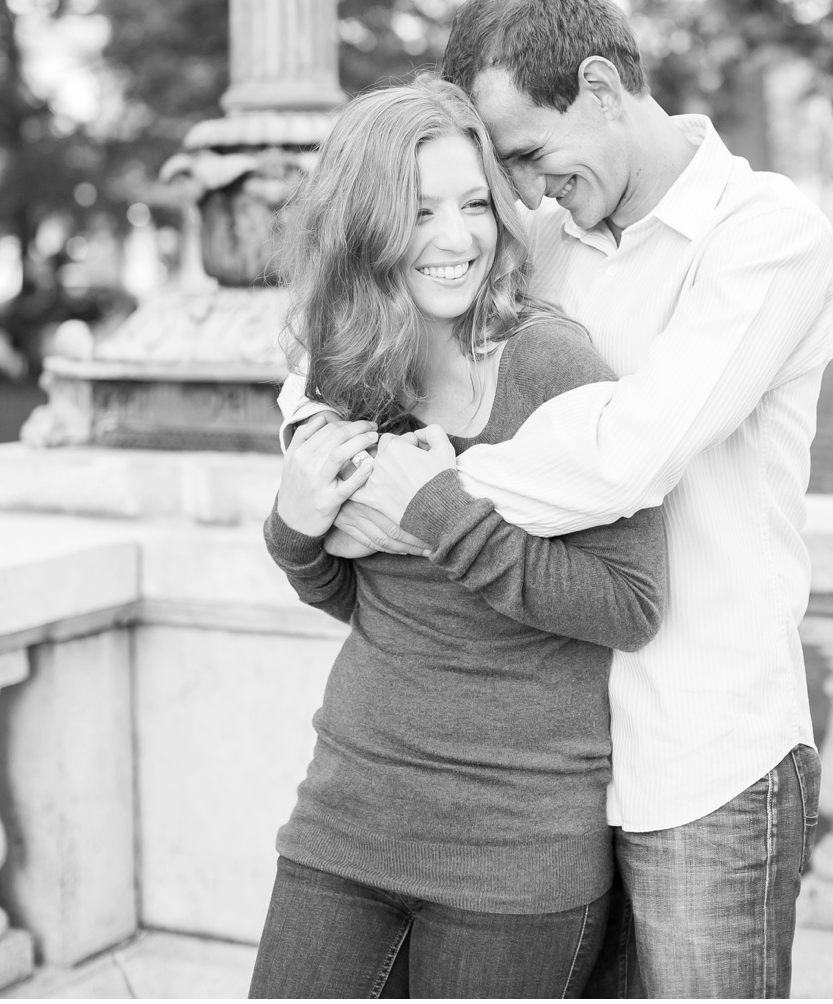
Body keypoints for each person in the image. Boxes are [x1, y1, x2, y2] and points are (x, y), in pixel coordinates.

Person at [290, 0, 833, 998]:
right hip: (549, 776)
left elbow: (631, 450)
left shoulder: (764, 236)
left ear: (597, 84)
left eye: (528, 155)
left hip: (701, 760)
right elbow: (356, 335)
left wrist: (420, 497)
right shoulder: (535, 244)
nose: (525, 192)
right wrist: (320, 452)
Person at [252, 75, 666, 999]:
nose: (457, 237)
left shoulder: (552, 363)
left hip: (514, 854)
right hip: (347, 815)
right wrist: (295, 530)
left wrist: (440, 511)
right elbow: (356, 592)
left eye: (475, 204)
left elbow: (630, 605)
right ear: (362, 228)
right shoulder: (352, 362)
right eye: (419, 210)